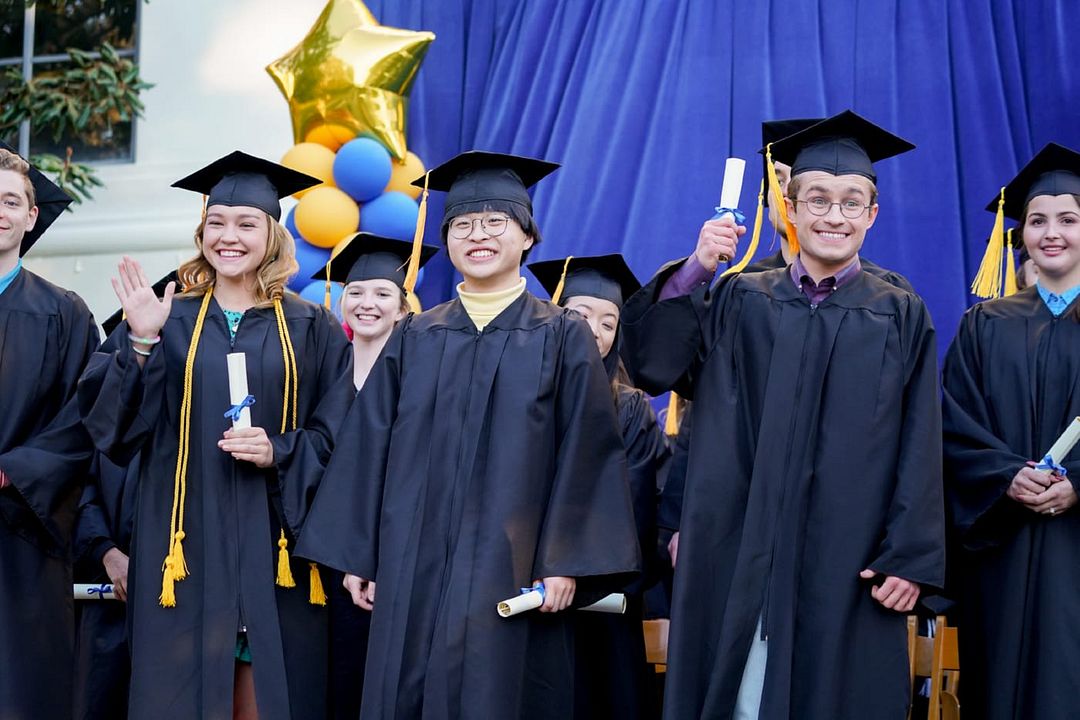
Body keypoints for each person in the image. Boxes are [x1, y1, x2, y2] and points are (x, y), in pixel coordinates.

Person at [620, 110, 944, 720]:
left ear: (872, 216)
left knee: (833, 688)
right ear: (790, 209)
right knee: (740, 685)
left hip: (845, 547)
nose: (834, 216)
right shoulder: (740, 298)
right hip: (738, 536)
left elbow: (921, 439)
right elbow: (660, 375)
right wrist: (697, 268)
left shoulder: (898, 311)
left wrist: (911, 553)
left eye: (853, 203)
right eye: (817, 199)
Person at [295, 151, 640, 720]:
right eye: (462, 225)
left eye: (495, 222)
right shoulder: (417, 336)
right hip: (413, 565)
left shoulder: (561, 337)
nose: (477, 235)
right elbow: (370, 445)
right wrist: (361, 554)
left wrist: (565, 562)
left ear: (528, 237)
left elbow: (587, 453)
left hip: (515, 566)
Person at [77, 151, 351, 720]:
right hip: (182, 545)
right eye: (216, 224)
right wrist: (142, 343)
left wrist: (279, 448)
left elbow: (342, 434)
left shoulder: (311, 326)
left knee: (269, 693)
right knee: (178, 692)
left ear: (272, 235)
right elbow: (114, 433)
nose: (229, 237)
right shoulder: (165, 317)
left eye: (246, 224)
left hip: (276, 545)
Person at [942, 142, 1080, 720]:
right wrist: (1007, 477)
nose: (1052, 233)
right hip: (1002, 543)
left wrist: (1079, 482)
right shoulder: (984, 325)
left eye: (1069, 220)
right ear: (1018, 233)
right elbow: (953, 424)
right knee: (996, 684)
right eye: (1038, 220)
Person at [529, 253, 669, 720]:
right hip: (517, 594)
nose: (595, 330)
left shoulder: (629, 410)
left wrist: (565, 566)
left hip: (598, 600)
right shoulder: (519, 393)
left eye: (609, 322)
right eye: (581, 314)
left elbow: (629, 507)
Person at [311, 232, 439, 720]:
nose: (368, 304)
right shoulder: (324, 375)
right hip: (326, 563)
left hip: (401, 563)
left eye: (383, 293)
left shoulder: (423, 378)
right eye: (356, 293)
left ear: (405, 308)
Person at [0, 142, 100, 720]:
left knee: (20, 689)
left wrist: (12, 469)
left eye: (12, 201)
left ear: (32, 216)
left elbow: (82, 419)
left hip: (22, 532)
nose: (1, 210)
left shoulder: (64, 313)